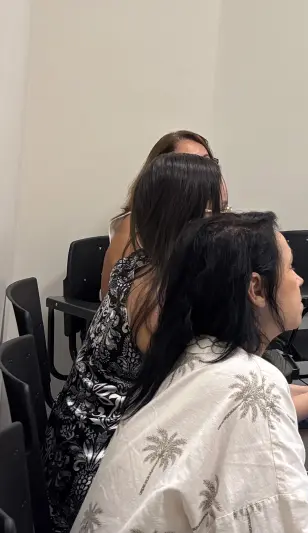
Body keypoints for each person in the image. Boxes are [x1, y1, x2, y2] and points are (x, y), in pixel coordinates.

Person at [71, 212, 308, 532]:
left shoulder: (187, 355)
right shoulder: (255, 382)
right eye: (291, 268)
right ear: (256, 289)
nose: (299, 280)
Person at [43, 153, 227, 532]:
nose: (227, 226)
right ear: (187, 216)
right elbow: (196, 398)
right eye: (217, 213)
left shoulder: (143, 265)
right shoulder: (155, 294)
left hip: (84, 442)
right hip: (95, 468)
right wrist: (302, 400)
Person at [101, 129, 218, 298]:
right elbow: (115, 296)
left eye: (207, 162)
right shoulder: (134, 225)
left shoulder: (207, 219)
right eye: (190, 164)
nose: (204, 171)